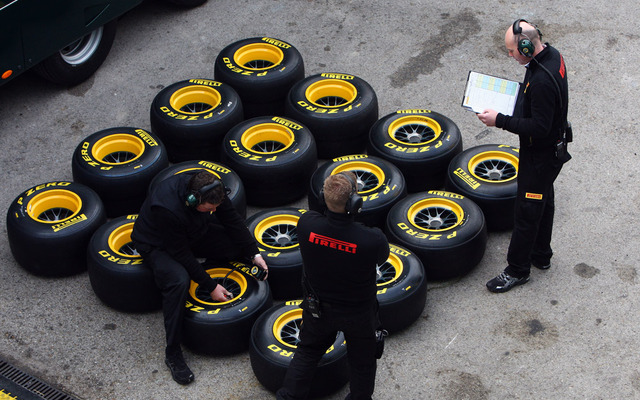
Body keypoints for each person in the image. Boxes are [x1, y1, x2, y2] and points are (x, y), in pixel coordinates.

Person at [131, 170, 268, 384]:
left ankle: (213, 267)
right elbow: (180, 253)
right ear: (193, 199)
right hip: (157, 244)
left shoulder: (212, 190)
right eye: (210, 208)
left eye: (215, 206)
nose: (214, 210)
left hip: (191, 229)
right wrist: (209, 285)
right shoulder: (166, 208)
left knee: (235, 246)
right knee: (179, 281)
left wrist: (254, 253)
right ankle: (173, 353)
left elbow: (231, 219)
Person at [276, 172, 389, 400]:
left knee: (308, 352)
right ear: (355, 203)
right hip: (358, 314)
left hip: (318, 309)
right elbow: (382, 258)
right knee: (362, 361)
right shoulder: (371, 239)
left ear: (321, 197)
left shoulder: (306, 224)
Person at [477, 19, 570, 293]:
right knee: (545, 200)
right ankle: (541, 255)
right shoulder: (552, 56)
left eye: (512, 50)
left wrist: (500, 120)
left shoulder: (541, 81)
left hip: (539, 156)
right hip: (551, 151)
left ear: (528, 47)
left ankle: (517, 270)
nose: (510, 55)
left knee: (527, 211)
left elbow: (539, 128)